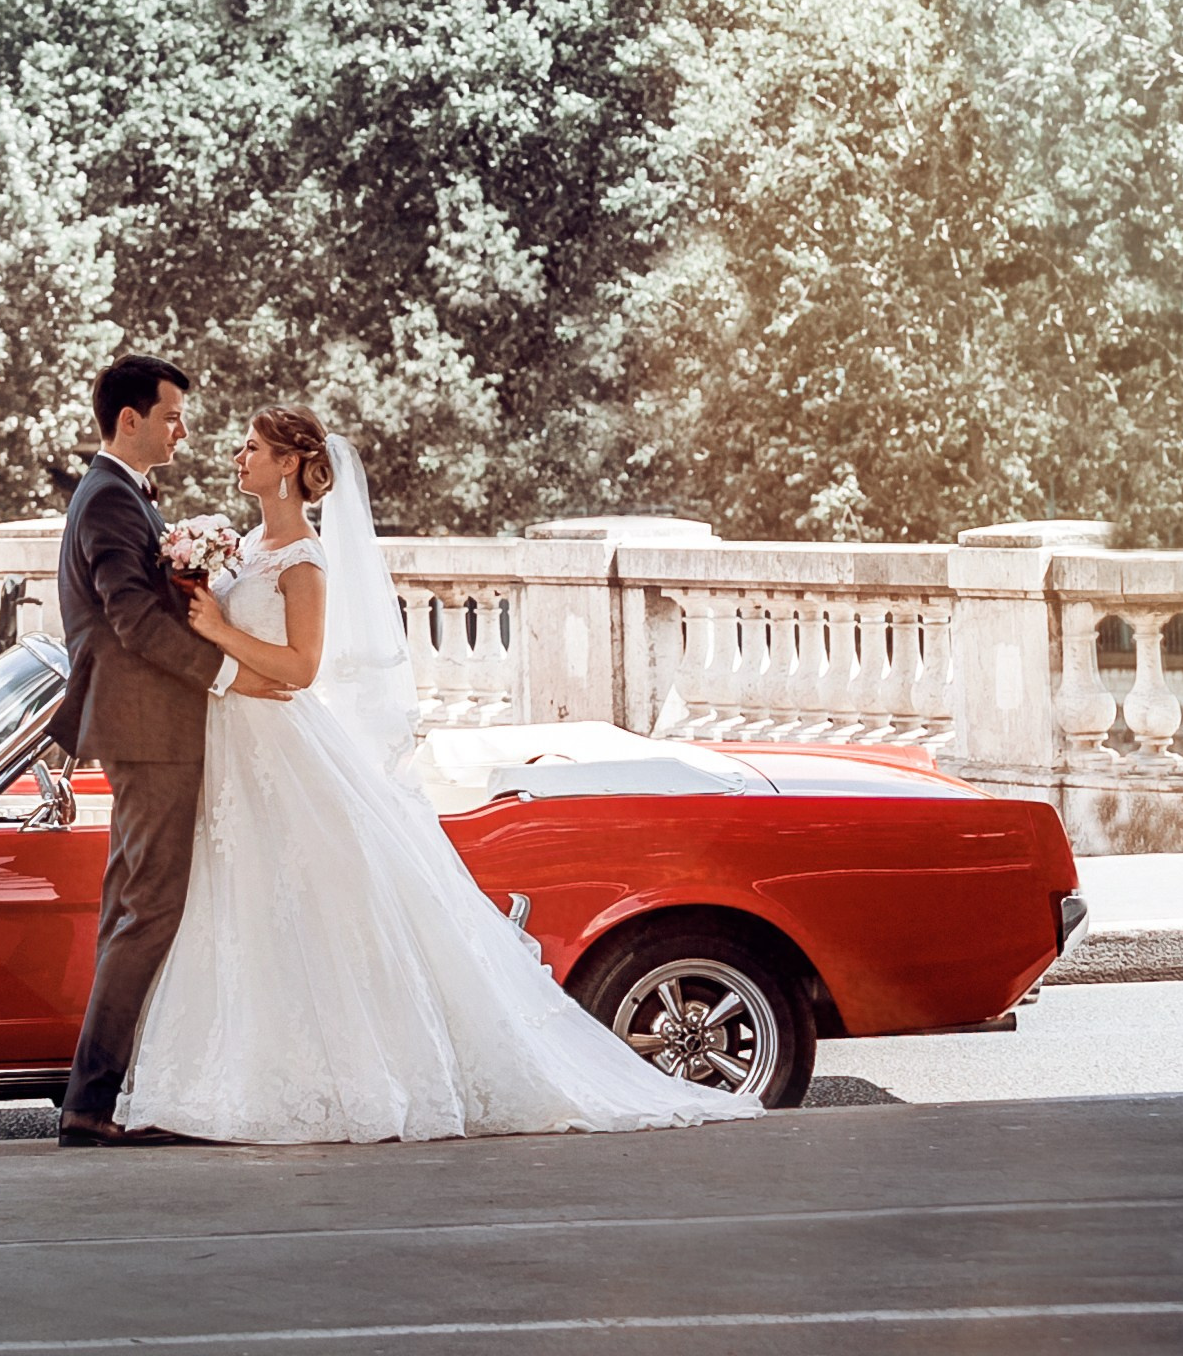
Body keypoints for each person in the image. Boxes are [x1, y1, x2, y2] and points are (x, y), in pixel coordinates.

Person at [116, 405, 748, 1146]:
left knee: (290, 901)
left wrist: (220, 631)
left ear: (287, 464)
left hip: (278, 741)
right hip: (229, 737)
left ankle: (337, 1078)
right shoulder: (249, 543)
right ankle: (220, 1076)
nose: (237, 457)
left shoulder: (305, 559)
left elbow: (302, 669)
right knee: (233, 905)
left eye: (251, 447)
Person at [48, 353, 287, 1147]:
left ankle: (101, 1091)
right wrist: (230, 674)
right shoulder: (111, 502)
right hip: (149, 731)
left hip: (144, 729)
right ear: (130, 420)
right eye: (173, 415)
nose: (184, 429)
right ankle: (91, 1104)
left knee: (129, 907)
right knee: (148, 910)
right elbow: (134, 624)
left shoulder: (120, 496)